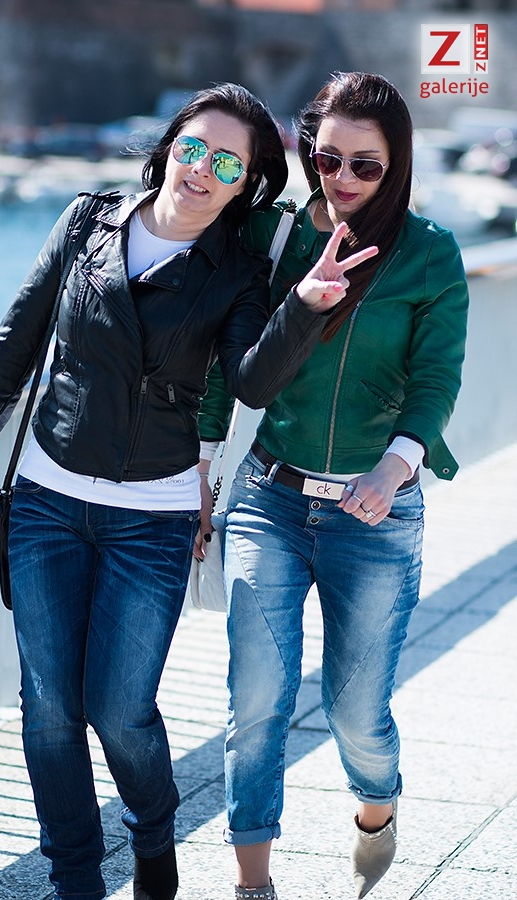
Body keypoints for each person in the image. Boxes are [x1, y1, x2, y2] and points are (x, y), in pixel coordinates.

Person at [0, 83, 375, 900]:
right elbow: (13, 348)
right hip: (47, 501)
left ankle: (153, 834)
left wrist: (304, 309)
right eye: (194, 149)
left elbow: (250, 382)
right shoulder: (86, 223)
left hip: (154, 517)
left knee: (120, 709)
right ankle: (75, 879)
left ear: (246, 185)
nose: (202, 170)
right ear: (170, 147)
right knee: (48, 708)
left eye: (227, 165)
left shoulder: (237, 274)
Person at [197, 72, 469, 900]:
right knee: (256, 700)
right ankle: (253, 882)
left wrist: (397, 463)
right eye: (328, 159)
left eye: (366, 166)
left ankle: (377, 807)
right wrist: (200, 478)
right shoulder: (273, 237)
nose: (343, 179)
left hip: (374, 514)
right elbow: (224, 366)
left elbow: (436, 377)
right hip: (270, 498)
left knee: (357, 713)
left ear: (398, 165)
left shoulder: (430, 253)